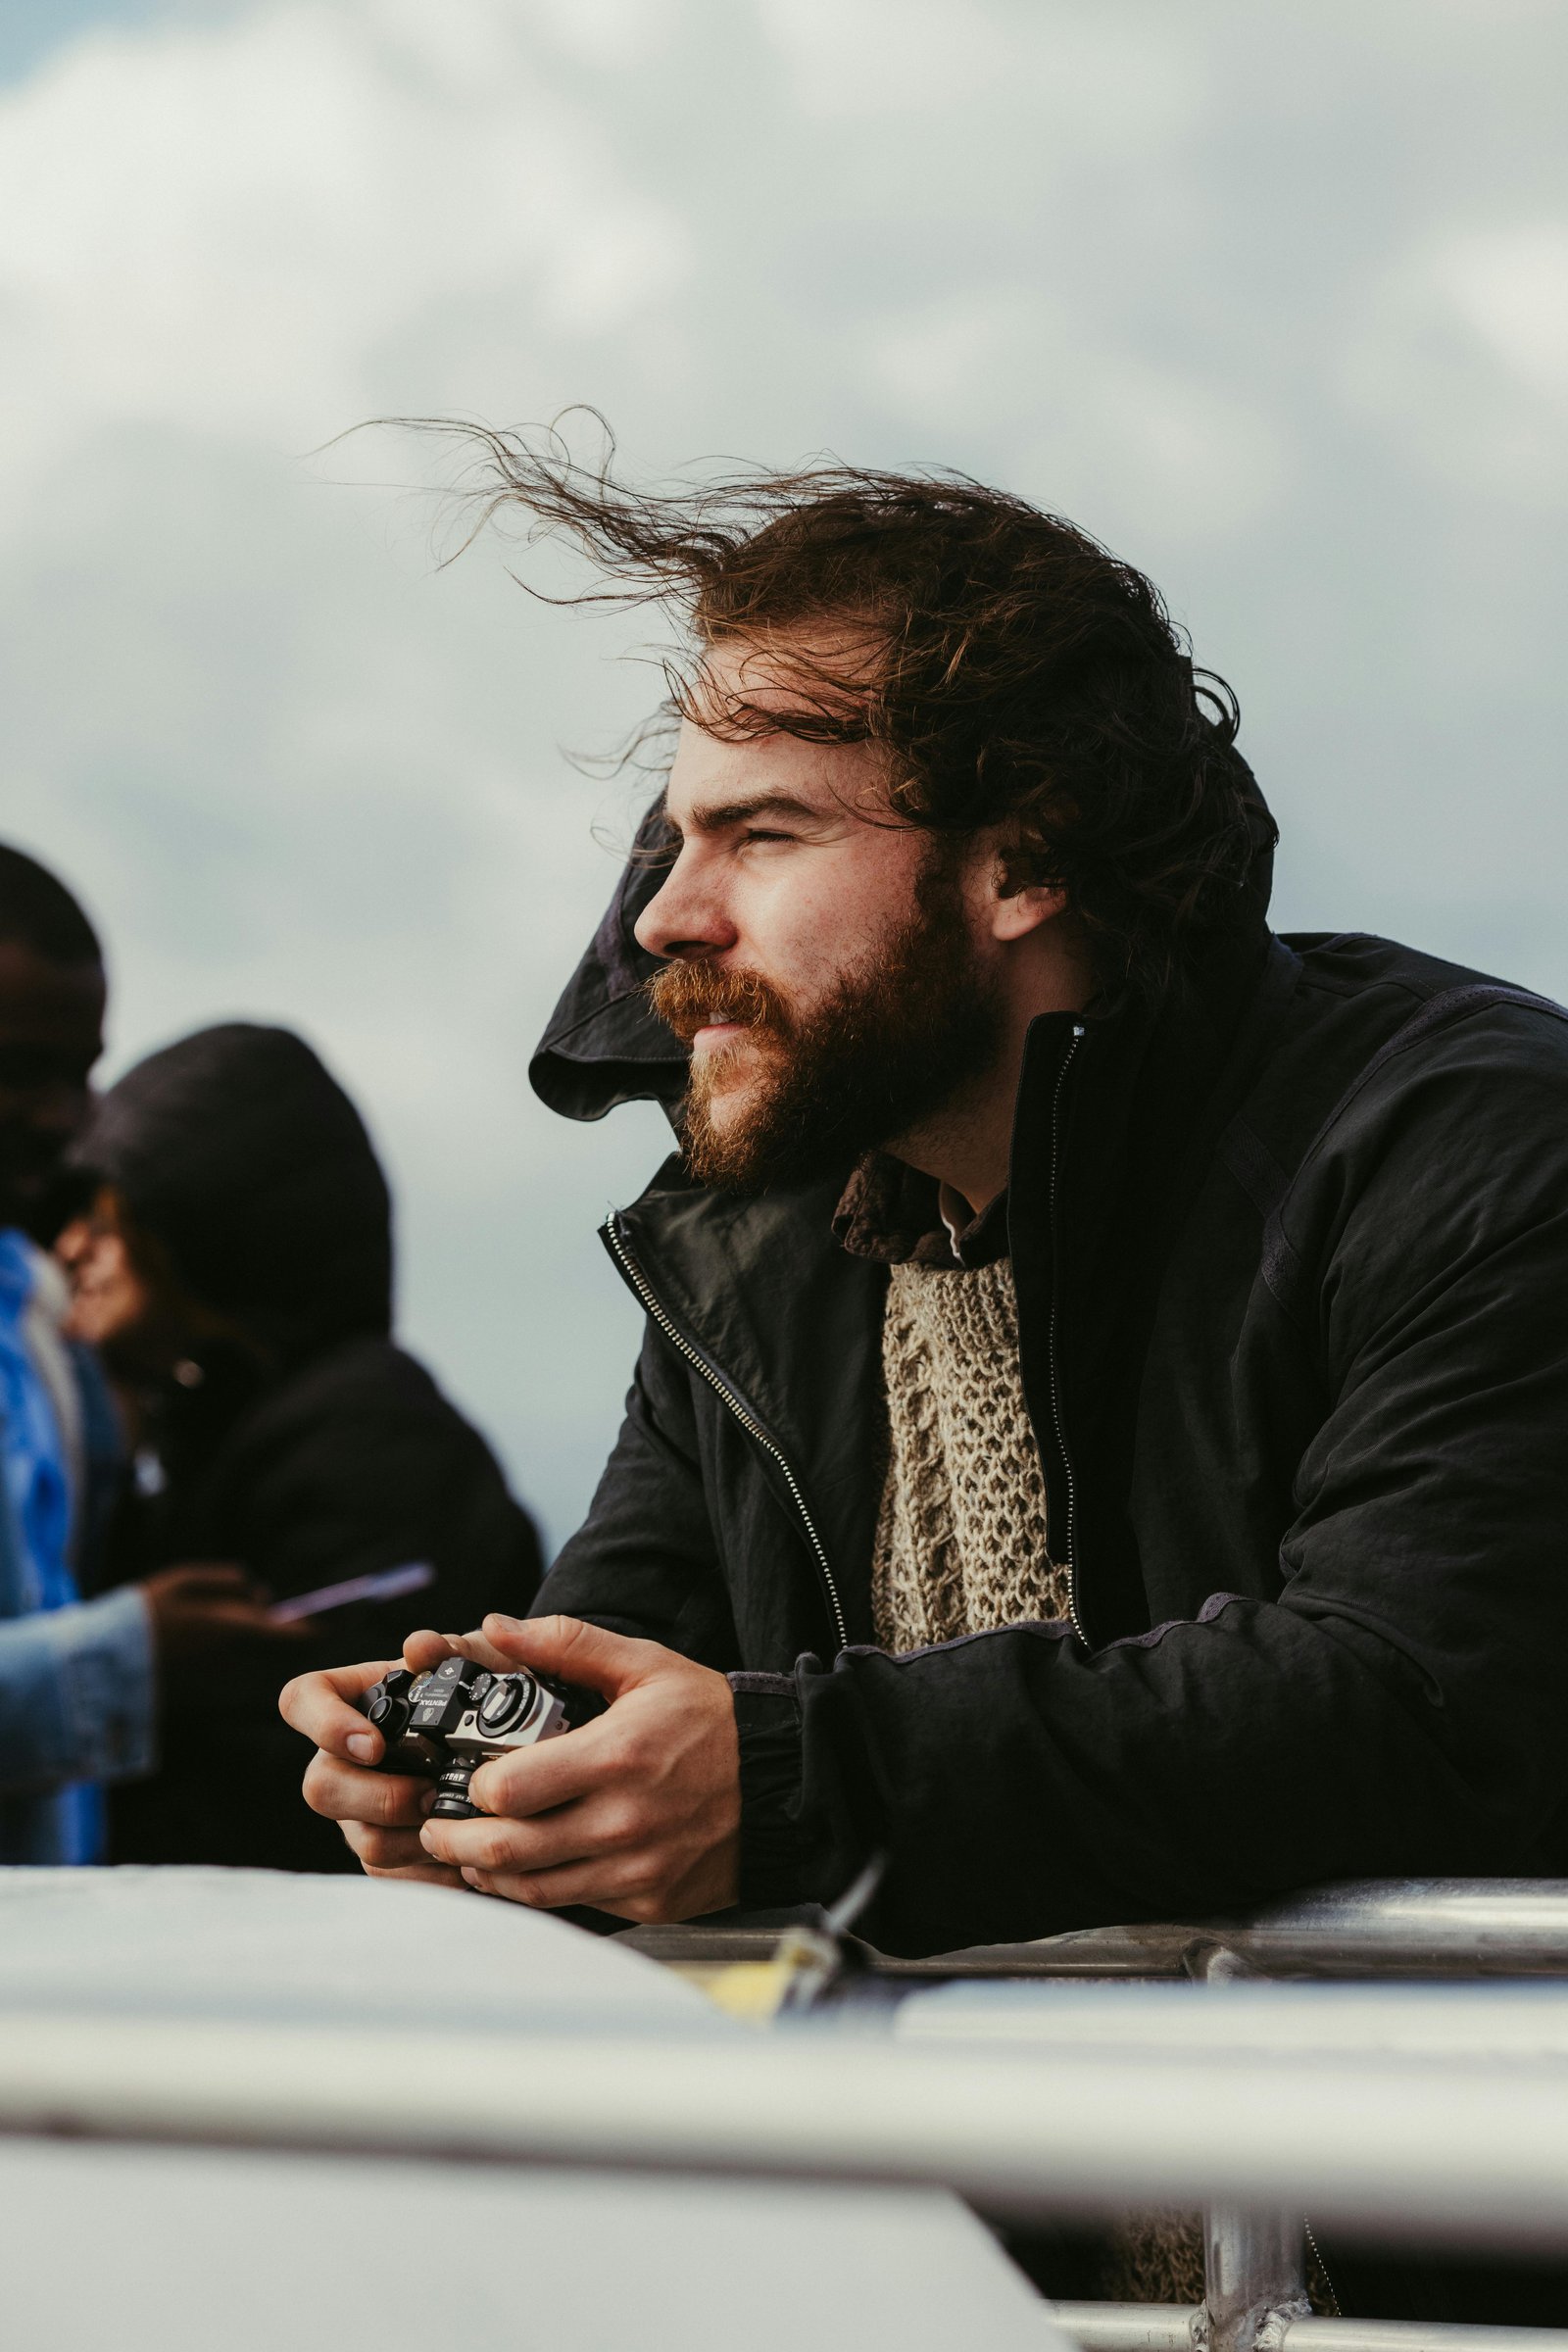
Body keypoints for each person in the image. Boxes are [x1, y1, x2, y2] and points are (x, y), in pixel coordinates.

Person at [283, 442, 1568, 1961]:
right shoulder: (743, 1248)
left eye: (764, 834)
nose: (662, 917)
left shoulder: (1474, 1144)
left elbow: (1420, 1697)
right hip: (925, 2120)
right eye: (678, 839)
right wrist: (499, 1788)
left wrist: (791, 1783)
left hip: (1383, 2119)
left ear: (1024, 859)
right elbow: (646, 1682)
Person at [61, 1020, 546, 1872]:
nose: (73, 1250)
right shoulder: (211, 1427)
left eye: (112, 1222)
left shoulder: (369, 1443)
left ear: (212, 1225)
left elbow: (292, 1787)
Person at [0, 843, 293, 1863]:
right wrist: (126, 1656)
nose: (67, 1118)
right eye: (17, 1071)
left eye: (81, 1071)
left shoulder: (45, 1319)